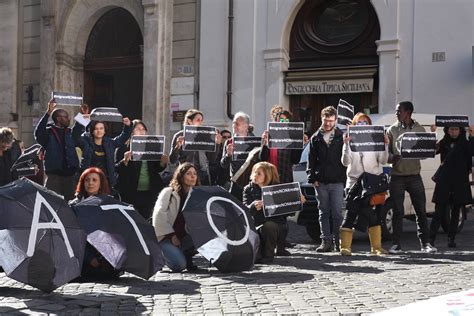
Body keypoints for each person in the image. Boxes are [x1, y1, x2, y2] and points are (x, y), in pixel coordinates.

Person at [387, 101, 436, 253]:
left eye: (399, 111)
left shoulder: (420, 129)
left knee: (420, 211)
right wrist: (391, 158)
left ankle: (425, 244)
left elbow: (426, 152)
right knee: (398, 211)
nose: (396, 113)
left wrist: (432, 140)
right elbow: (385, 155)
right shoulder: (391, 130)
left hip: (415, 176)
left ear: (408, 112)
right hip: (397, 176)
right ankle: (396, 244)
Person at [339, 113, 389, 256]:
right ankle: (345, 247)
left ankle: (376, 248)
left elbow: (384, 160)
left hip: (371, 184)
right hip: (354, 183)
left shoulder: (374, 140)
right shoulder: (350, 140)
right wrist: (346, 145)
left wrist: (385, 145)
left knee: (373, 215)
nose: (362, 125)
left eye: (365, 122)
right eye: (359, 122)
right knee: (351, 213)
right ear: (355, 125)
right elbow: (345, 162)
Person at [243, 162, 303, 264]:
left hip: (277, 226)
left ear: (268, 176)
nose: (255, 176)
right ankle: (262, 251)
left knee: (269, 226)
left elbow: (289, 213)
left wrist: (298, 201)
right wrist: (253, 206)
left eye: (259, 174)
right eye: (254, 172)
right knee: (256, 258)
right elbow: (245, 210)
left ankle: (269, 256)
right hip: (257, 225)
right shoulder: (248, 189)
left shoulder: (279, 189)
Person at [69, 167, 121, 280]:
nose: (90, 183)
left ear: (100, 183)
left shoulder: (108, 204)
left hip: (103, 249)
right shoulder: (74, 206)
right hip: (81, 249)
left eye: (94, 180)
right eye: (87, 180)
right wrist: (89, 257)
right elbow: (73, 235)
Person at [307, 106, 346, 252]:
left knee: (337, 213)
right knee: (323, 213)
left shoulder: (341, 136)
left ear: (335, 120)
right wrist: (312, 178)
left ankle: (338, 242)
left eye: (331, 120)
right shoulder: (315, 137)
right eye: (325, 120)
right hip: (321, 181)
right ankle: (326, 242)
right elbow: (311, 159)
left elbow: (347, 158)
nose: (328, 123)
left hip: (337, 181)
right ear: (321, 119)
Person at [428, 124, 474, 248]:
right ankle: (431, 240)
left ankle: (451, 238)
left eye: (456, 129)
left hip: (460, 181)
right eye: (451, 129)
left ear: (460, 130)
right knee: (439, 211)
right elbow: (433, 150)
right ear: (447, 131)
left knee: (455, 211)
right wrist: (433, 134)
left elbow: (472, 152)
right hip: (445, 181)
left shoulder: (465, 142)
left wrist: (472, 135)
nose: (453, 132)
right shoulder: (444, 142)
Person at [34, 99, 87, 200]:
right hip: (54, 176)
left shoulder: (70, 133)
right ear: (58, 118)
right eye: (66, 117)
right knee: (52, 201)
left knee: (72, 202)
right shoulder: (49, 133)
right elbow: (38, 133)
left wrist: (82, 114)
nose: (69, 119)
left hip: (70, 175)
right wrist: (48, 112)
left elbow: (78, 129)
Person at [116, 120, 169, 220]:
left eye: (143, 129)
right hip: (131, 192)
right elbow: (117, 169)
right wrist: (124, 161)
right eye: (138, 129)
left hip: (150, 191)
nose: (142, 131)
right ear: (131, 132)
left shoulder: (152, 147)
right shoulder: (123, 148)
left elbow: (157, 168)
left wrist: (163, 163)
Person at [152, 162, 199, 272]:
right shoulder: (168, 192)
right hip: (165, 238)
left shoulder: (196, 196)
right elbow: (158, 215)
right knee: (180, 266)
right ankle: (160, 255)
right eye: (188, 173)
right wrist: (171, 235)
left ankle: (186, 254)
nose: (193, 176)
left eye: (195, 174)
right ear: (181, 177)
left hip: (184, 238)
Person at [169, 109, 221, 185]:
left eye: (201, 120)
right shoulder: (179, 136)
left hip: (203, 174)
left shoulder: (206, 135)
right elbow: (172, 160)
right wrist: (177, 147)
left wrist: (217, 144)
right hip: (185, 174)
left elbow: (212, 159)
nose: (200, 122)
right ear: (189, 121)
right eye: (198, 120)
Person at [79, 118, 132, 190]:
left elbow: (122, 138)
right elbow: (75, 136)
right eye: (96, 128)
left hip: (106, 181)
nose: (99, 131)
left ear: (104, 131)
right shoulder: (86, 142)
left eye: (101, 128)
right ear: (92, 131)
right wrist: (80, 119)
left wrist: (128, 126)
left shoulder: (110, 143)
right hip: (89, 181)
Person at [260, 106, 303, 185]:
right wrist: (265, 144)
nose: (283, 122)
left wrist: (300, 145)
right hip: (269, 178)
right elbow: (262, 158)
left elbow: (295, 160)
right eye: (281, 120)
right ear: (276, 121)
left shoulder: (291, 138)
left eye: (286, 120)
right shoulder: (269, 135)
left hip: (285, 177)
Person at [221, 111, 256, 200]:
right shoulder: (229, 142)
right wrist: (228, 155)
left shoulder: (255, 141)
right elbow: (223, 165)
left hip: (251, 183)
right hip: (235, 183)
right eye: (233, 123)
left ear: (246, 126)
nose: (234, 125)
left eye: (238, 123)